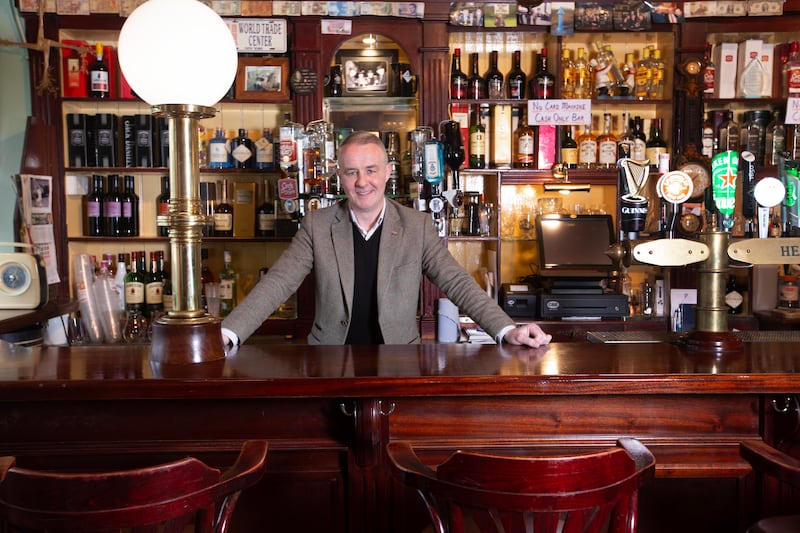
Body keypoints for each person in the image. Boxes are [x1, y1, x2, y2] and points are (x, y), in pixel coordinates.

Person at [220, 131, 551, 348]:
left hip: (398, 359)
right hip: (330, 358)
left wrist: (507, 330)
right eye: (351, 172)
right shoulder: (317, 226)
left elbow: (457, 282)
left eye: (370, 170)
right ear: (340, 176)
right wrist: (227, 333)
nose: (362, 182)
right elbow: (278, 282)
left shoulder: (416, 226)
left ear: (388, 171)